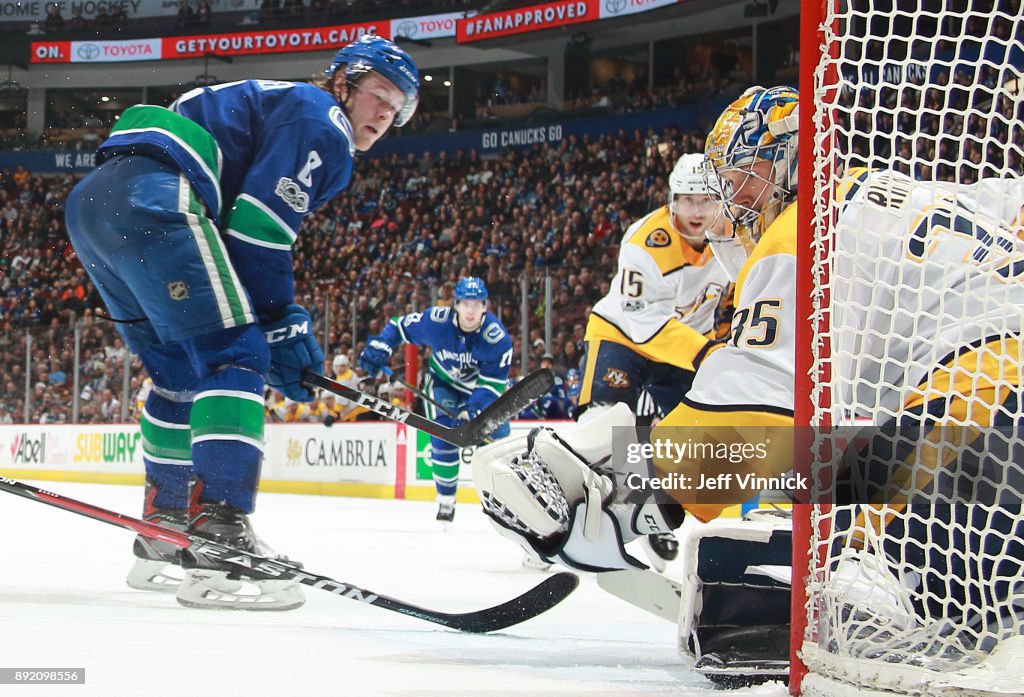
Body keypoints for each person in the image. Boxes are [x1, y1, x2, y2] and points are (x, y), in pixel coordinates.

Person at [472, 84, 1024, 677]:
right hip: (987, 408)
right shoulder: (920, 196)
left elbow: (746, 420)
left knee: (871, 588)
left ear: (790, 159)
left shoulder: (800, 232)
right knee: (838, 492)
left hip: (986, 428)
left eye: (740, 178)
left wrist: (625, 492)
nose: (727, 204)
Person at [65, 34, 419, 611]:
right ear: (342, 82)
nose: (385, 112)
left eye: (397, 106)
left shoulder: (282, 105)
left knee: (181, 374)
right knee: (238, 355)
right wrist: (281, 324)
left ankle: (165, 528)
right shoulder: (322, 118)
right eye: (379, 93)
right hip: (158, 197)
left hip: (96, 206)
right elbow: (256, 229)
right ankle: (220, 535)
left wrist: (279, 320)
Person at [576, 152, 733, 570]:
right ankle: (567, 508)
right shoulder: (647, 240)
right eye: (687, 200)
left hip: (686, 343)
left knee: (696, 429)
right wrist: (704, 351)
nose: (697, 211)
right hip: (625, 334)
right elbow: (642, 317)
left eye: (705, 200)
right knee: (604, 421)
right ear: (671, 200)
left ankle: (652, 511)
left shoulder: (732, 238)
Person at [359, 277, 512, 524]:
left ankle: (508, 498)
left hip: (478, 391)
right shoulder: (437, 322)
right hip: (442, 385)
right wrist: (382, 346)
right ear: (457, 304)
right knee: (443, 436)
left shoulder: (497, 339)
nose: (470, 311)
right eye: (465, 304)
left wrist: (473, 410)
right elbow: (399, 326)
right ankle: (446, 500)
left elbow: (493, 383)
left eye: (476, 304)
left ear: (485, 306)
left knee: (498, 443)